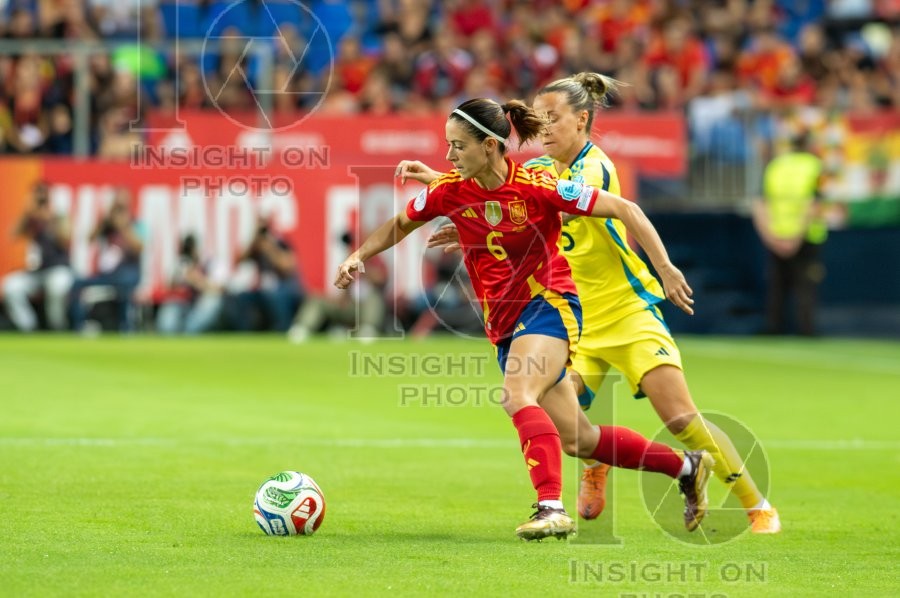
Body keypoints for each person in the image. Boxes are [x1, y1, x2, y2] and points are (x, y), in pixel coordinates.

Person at [409, 73, 781, 534]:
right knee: (562, 420)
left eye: (553, 118)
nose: (543, 128)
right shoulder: (541, 170)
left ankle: (755, 503)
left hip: (625, 311)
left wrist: (665, 269)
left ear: (581, 120)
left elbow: (544, 207)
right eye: (538, 118)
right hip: (570, 316)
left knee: (680, 416)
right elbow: (505, 194)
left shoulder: (593, 168)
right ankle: (592, 465)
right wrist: (466, 206)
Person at [338, 97, 713, 541]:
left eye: (458, 146)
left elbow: (625, 209)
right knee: (580, 440)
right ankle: (687, 466)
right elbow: (400, 223)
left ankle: (550, 507)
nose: (448, 156)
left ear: (492, 146)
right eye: (447, 145)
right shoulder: (450, 189)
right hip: (503, 324)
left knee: (517, 392)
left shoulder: (538, 184)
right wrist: (358, 255)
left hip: (549, 304)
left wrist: (665, 268)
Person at [752, 131, 825, 337]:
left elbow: (760, 204)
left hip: (776, 234)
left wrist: (770, 237)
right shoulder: (815, 166)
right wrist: (795, 237)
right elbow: (814, 204)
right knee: (806, 285)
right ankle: (806, 330)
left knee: (776, 286)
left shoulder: (776, 166)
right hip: (806, 236)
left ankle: (774, 327)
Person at [287, 231, 387, 342]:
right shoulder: (339, 257)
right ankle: (302, 328)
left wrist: (361, 263)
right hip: (342, 303)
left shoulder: (374, 258)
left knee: (374, 299)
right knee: (316, 299)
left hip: (362, 305)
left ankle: (368, 329)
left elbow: (381, 279)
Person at [69, 187, 144, 333]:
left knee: (124, 285)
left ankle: (126, 327)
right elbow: (89, 239)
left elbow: (139, 247)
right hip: (108, 274)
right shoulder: (107, 226)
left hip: (129, 272)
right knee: (77, 284)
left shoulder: (137, 224)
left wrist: (124, 227)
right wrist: (104, 221)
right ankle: (80, 325)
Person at [2, 181, 74, 332]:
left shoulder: (58, 215)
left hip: (58, 268)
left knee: (57, 287)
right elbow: (12, 235)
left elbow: (65, 240)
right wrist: (27, 212)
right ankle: (28, 327)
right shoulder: (30, 217)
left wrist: (48, 219)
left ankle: (57, 327)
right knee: (10, 287)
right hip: (37, 271)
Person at [230, 217, 303, 332]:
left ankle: (282, 329)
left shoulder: (281, 243)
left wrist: (269, 248)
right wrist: (254, 239)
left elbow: (287, 267)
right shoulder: (256, 247)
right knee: (241, 297)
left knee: (275, 297)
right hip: (263, 291)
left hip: (285, 289)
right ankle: (245, 332)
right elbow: (238, 261)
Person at [156, 233, 227, 335]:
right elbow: (168, 287)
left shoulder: (212, 262)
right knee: (167, 323)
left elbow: (219, 288)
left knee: (211, 301)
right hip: (185, 303)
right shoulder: (183, 262)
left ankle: (190, 333)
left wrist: (196, 280)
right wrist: (178, 279)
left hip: (203, 303)